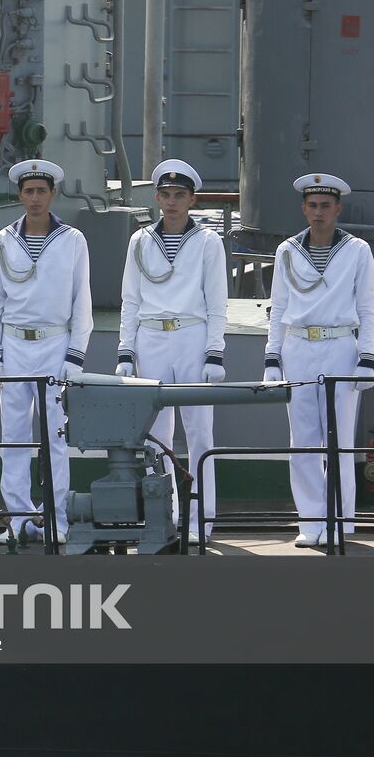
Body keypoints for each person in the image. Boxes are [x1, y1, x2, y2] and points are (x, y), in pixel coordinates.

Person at [115, 159, 228, 545]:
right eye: (165, 194)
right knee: (154, 437)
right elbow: (130, 300)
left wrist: (215, 352)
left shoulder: (209, 242)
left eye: (180, 195)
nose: (172, 202)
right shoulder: (140, 240)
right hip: (151, 338)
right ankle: (163, 517)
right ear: (157, 197)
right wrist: (125, 350)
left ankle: (201, 519)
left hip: (191, 337)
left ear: (193, 200)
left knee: (200, 433)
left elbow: (216, 302)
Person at [0, 159, 92, 545]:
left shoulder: (73, 241)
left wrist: (74, 356)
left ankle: (57, 519)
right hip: (13, 346)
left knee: (55, 441)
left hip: (54, 345)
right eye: (28, 191)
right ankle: (16, 519)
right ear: (19, 195)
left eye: (40, 191)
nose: (34, 198)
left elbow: (82, 303)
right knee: (12, 438)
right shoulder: (3, 240)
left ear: (52, 194)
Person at [263, 173, 374, 547]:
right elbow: (278, 308)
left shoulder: (357, 250)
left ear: (338, 208)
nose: (318, 212)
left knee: (339, 440)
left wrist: (368, 358)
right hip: (298, 348)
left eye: (325, 206)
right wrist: (272, 357)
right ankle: (310, 522)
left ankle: (340, 521)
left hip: (340, 346)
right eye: (312, 205)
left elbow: (369, 308)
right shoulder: (287, 251)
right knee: (303, 440)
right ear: (304, 208)